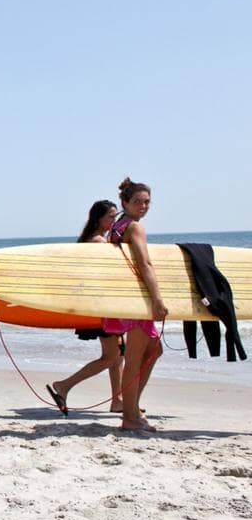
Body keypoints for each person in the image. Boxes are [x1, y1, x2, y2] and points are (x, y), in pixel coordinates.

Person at [46, 200, 125, 415]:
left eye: (115, 216)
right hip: (102, 307)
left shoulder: (90, 240)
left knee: (117, 355)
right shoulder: (98, 243)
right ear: (98, 218)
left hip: (99, 304)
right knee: (111, 357)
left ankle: (117, 401)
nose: (114, 220)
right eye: (110, 216)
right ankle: (64, 385)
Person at [102, 178, 167, 432]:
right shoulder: (135, 227)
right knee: (134, 359)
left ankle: (132, 408)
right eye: (138, 201)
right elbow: (144, 264)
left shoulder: (116, 226)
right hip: (138, 301)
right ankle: (130, 416)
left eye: (147, 202)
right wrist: (157, 299)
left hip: (125, 298)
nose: (143, 206)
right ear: (125, 202)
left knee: (154, 350)